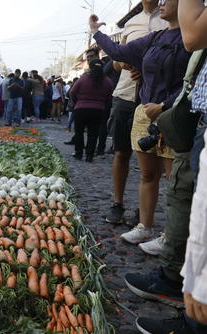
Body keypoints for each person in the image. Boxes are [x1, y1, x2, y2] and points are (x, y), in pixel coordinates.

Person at [90, 0, 191, 245]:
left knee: (173, 180)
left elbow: (191, 82)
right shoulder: (155, 37)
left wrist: (165, 105)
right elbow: (119, 53)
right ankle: (144, 226)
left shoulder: (192, 38)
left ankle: (171, 238)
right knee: (147, 174)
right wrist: (95, 32)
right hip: (145, 112)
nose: (163, 3)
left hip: (172, 115)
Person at [134, 1, 207, 333]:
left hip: (195, 122)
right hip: (195, 118)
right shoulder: (158, 36)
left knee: (187, 199)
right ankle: (182, 290)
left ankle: (194, 317)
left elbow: (192, 36)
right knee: (187, 201)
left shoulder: (184, 31)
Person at [105, 0, 168, 226]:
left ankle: (142, 211)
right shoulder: (130, 23)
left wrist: (147, 69)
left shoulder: (168, 19)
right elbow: (115, 62)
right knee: (121, 153)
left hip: (154, 100)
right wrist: (128, 64)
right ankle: (117, 204)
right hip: (125, 95)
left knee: (153, 160)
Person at [69, 59, 113, 162]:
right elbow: (110, 96)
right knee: (93, 133)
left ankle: (78, 153)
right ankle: (89, 155)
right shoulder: (107, 81)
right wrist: (102, 104)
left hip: (81, 109)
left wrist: (77, 103)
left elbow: (72, 92)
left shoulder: (83, 79)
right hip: (98, 110)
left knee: (79, 132)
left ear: (90, 67)